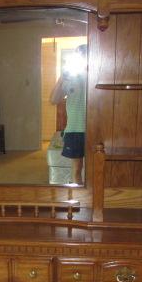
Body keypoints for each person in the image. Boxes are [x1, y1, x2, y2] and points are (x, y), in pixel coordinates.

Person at [49, 44, 87, 184]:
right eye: (79, 55)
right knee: (77, 169)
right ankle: (79, 201)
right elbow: (53, 100)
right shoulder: (69, 77)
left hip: (94, 130)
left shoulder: (97, 75)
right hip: (74, 130)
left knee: (94, 169)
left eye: (84, 55)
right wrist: (61, 78)